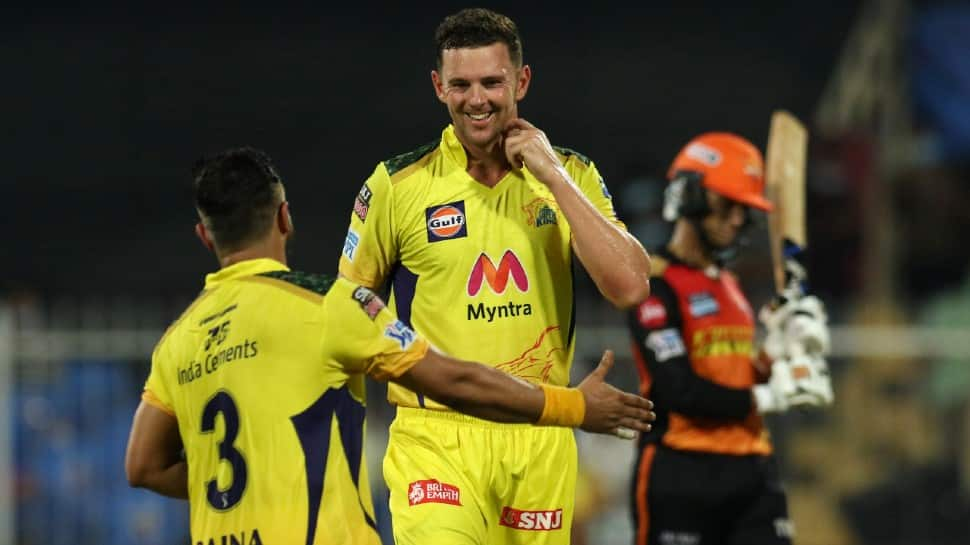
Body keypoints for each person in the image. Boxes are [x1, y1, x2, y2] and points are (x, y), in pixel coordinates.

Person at [123, 147, 655, 545]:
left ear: (203, 235)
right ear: (286, 217)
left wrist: (252, 483)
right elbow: (453, 380)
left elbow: (143, 468)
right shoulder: (327, 306)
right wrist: (574, 405)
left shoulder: (178, 340)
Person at [337, 7, 652, 544]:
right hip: (433, 437)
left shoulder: (571, 174)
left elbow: (630, 287)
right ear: (438, 87)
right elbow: (349, 301)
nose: (476, 99)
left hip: (540, 435)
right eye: (460, 84)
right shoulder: (397, 184)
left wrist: (550, 174)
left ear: (521, 81)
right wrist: (402, 357)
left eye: (491, 82)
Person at [626, 132, 833, 545]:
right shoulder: (652, 284)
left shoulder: (731, 287)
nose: (738, 219)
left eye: (744, 209)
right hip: (682, 472)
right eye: (728, 204)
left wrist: (784, 353)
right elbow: (676, 389)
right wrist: (770, 396)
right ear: (691, 196)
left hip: (753, 470)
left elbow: (737, 373)